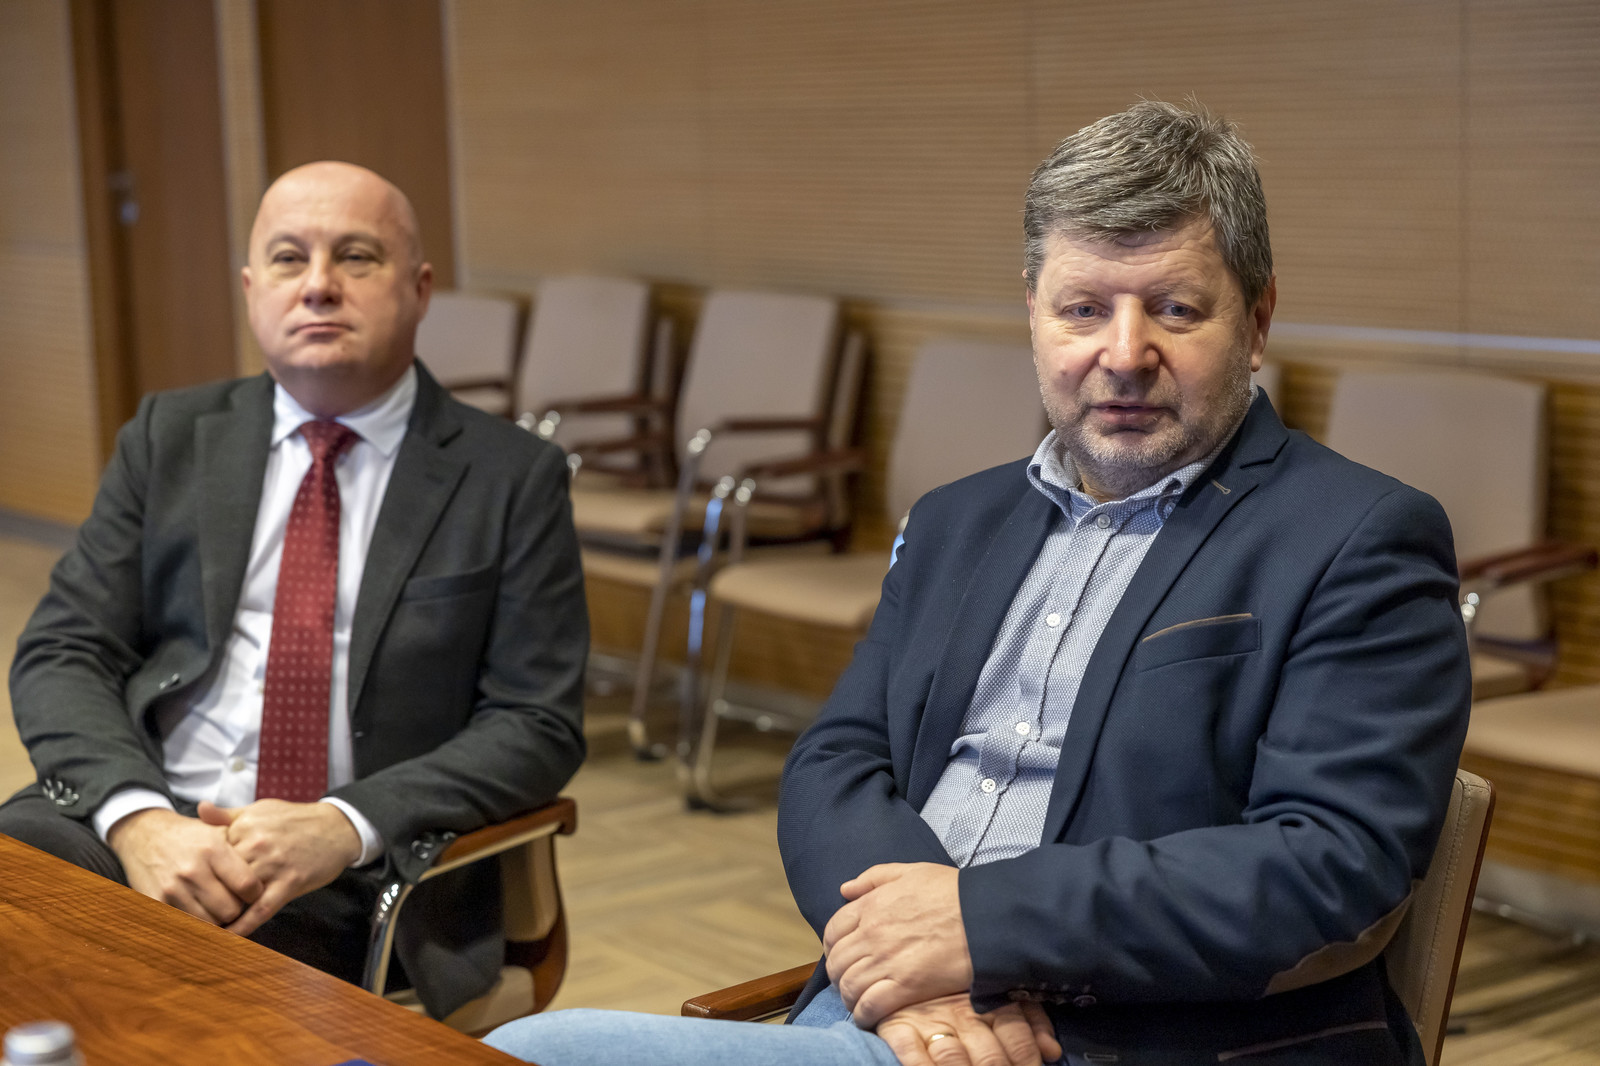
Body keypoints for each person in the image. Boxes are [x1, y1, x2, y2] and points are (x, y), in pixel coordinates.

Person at [483, 100, 1471, 1066]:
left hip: (1122, 1033)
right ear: (1033, 316)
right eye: (1083, 309)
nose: (1124, 354)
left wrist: (976, 926)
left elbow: (1328, 859)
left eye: (1175, 309)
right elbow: (836, 759)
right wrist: (921, 960)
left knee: (536, 1049)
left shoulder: (1357, 536)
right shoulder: (956, 520)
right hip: (893, 1009)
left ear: (1255, 322)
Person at [2, 161, 587, 1019]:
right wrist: (140, 821)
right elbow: (64, 648)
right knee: (19, 883)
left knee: (161, 997)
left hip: (353, 875)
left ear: (420, 289)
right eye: (288, 258)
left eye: (356, 256)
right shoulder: (171, 437)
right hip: (148, 819)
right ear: (252, 290)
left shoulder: (510, 477)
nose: (318, 285)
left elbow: (536, 720)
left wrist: (345, 823)